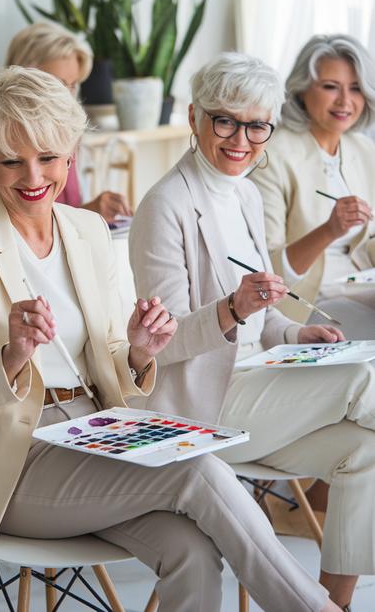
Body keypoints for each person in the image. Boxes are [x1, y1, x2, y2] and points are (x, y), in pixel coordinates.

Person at [0, 66, 337, 612]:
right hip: (14, 467)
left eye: (47, 157)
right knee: (197, 468)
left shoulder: (87, 231)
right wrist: (14, 353)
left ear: (70, 153)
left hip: (98, 435)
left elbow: (117, 364)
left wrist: (141, 349)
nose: (32, 176)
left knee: (190, 548)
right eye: (11, 161)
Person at [130, 52, 375, 611]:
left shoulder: (242, 190)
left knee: (364, 449)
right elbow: (161, 347)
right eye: (226, 121)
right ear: (195, 118)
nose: (241, 139)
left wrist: (292, 334)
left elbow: (265, 317)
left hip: (257, 385)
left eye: (256, 125)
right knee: (363, 380)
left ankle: (330, 604)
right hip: (204, 402)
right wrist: (233, 309)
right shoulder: (165, 206)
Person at [249, 34, 375, 338]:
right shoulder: (272, 156)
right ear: (301, 90)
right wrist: (330, 229)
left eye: (356, 88)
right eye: (331, 87)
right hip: (307, 305)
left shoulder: (362, 149)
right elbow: (269, 273)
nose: (345, 101)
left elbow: (368, 241)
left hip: (361, 290)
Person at [0, 22, 131, 223]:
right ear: (22, 76)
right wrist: (87, 213)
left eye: (73, 86)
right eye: (57, 84)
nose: (67, 97)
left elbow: (59, 205)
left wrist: (88, 215)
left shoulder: (66, 125)